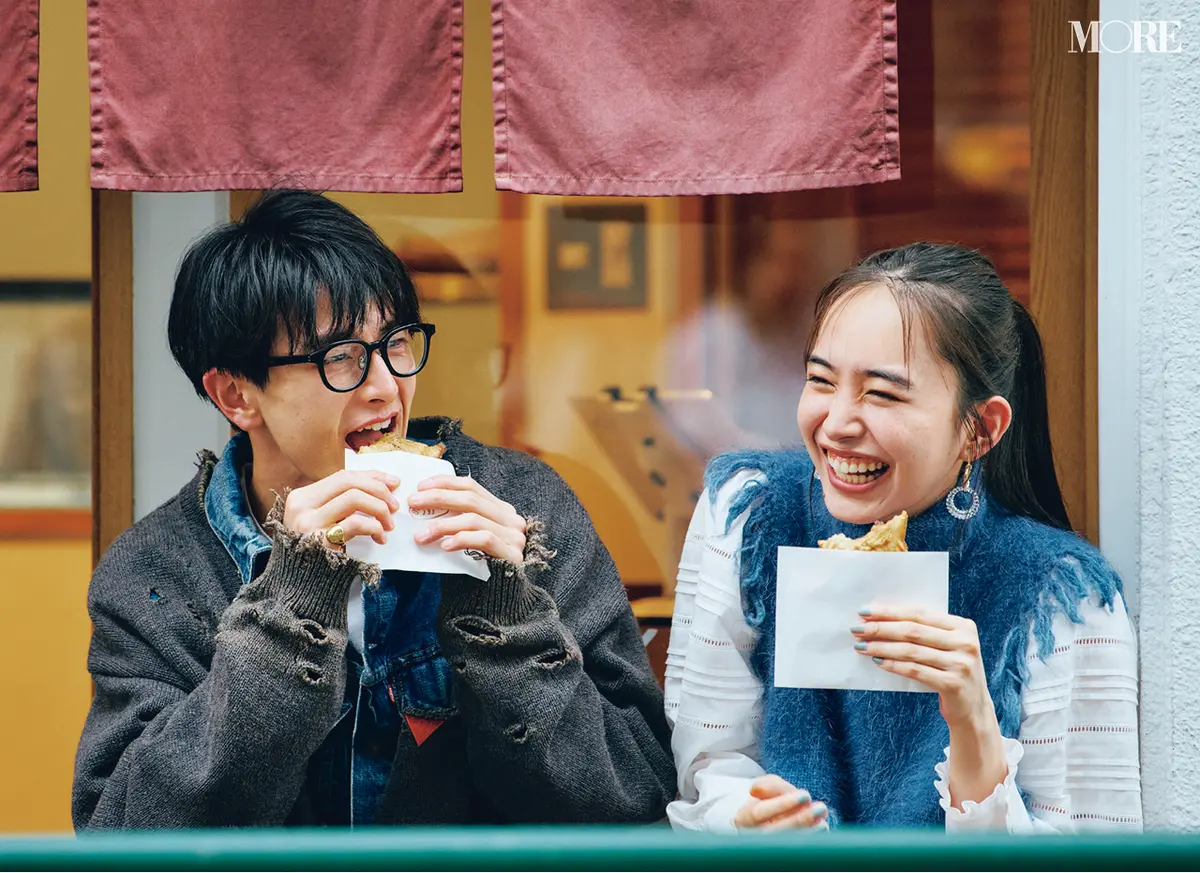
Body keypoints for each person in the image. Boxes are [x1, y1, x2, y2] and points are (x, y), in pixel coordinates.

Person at [73, 190, 675, 829]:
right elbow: (125, 838)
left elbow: (634, 801)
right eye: (341, 359)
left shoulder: (522, 509)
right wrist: (293, 606)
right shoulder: (159, 572)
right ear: (236, 395)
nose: (386, 388)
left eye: (396, 344)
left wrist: (508, 616)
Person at [665, 243, 1141, 832]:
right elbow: (706, 767)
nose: (837, 423)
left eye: (883, 393)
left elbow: (1098, 857)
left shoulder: (1063, 597)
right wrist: (746, 816)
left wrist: (974, 726)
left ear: (981, 428)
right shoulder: (747, 518)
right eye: (820, 380)